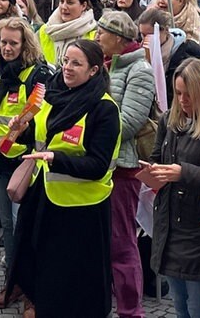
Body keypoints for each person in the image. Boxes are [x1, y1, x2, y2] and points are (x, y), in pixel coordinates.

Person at [11, 40, 121, 318]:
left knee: (79, 289)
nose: (67, 69)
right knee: (44, 276)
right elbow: (42, 138)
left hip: (83, 211)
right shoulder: (53, 95)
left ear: (94, 70)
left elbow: (97, 165)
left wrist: (56, 159)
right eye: (65, 62)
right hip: (45, 201)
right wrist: (21, 130)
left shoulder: (104, 109)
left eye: (76, 63)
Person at [140, 57, 200, 318]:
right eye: (178, 93)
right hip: (170, 224)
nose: (183, 100)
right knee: (180, 303)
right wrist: (152, 171)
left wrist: (183, 174)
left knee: (198, 305)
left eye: (189, 94)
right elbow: (157, 158)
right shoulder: (169, 120)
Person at [0, 17, 52, 307]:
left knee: (26, 223)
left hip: (25, 160)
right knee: (8, 223)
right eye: (3, 42)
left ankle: (33, 289)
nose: (6, 48)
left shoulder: (38, 74)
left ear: (25, 45)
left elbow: (43, 116)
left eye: (13, 43)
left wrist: (25, 128)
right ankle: (13, 281)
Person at [95, 11, 155, 318]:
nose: (96, 36)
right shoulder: (102, 65)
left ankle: (131, 310)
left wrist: (91, 124)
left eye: (101, 32)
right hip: (99, 165)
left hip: (123, 168)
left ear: (118, 38)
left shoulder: (140, 70)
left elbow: (130, 122)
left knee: (121, 243)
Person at [37, 0, 98, 66]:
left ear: (83, 6)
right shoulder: (45, 30)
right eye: (61, 1)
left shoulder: (94, 32)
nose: (64, 7)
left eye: (70, 2)